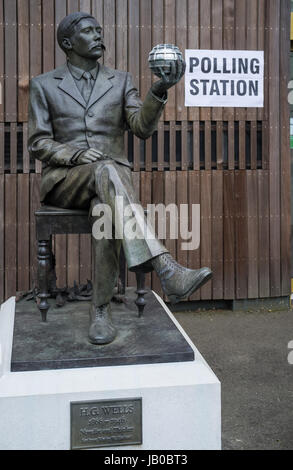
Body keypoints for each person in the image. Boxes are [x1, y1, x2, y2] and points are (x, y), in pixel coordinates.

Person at [28, 11, 212, 345]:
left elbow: (141, 128)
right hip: (65, 182)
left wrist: (158, 90)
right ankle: (166, 268)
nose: (99, 35)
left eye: (100, 30)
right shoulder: (43, 85)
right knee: (107, 172)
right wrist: (75, 154)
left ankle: (100, 312)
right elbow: (38, 142)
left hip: (110, 186)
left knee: (107, 206)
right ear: (68, 43)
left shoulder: (122, 80)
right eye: (89, 31)